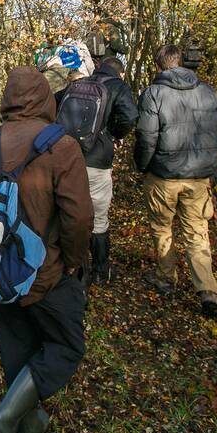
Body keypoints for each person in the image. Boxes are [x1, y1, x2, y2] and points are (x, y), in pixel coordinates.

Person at [0, 67, 92, 433]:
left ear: (7, 100)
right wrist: (72, 262)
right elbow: (78, 217)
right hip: (46, 272)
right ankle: (4, 418)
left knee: (17, 351)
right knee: (67, 346)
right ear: (46, 99)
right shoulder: (61, 145)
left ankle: (30, 427)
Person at [134, 44, 217, 318]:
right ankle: (207, 290)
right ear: (182, 63)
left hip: (163, 175)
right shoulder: (207, 91)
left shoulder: (154, 93)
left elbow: (146, 137)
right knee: (197, 232)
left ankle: (165, 277)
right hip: (198, 177)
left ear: (159, 66)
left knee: (162, 227)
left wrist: (142, 165)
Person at [78, 56, 138, 284]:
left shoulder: (81, 84)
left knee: (73, 214)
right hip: (98, 162)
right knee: (98, 217)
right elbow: (130, 116)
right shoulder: (118, 87)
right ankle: (101, 272)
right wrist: (113, 135)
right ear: (120, 73)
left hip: (72, 159)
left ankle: (77, 270)